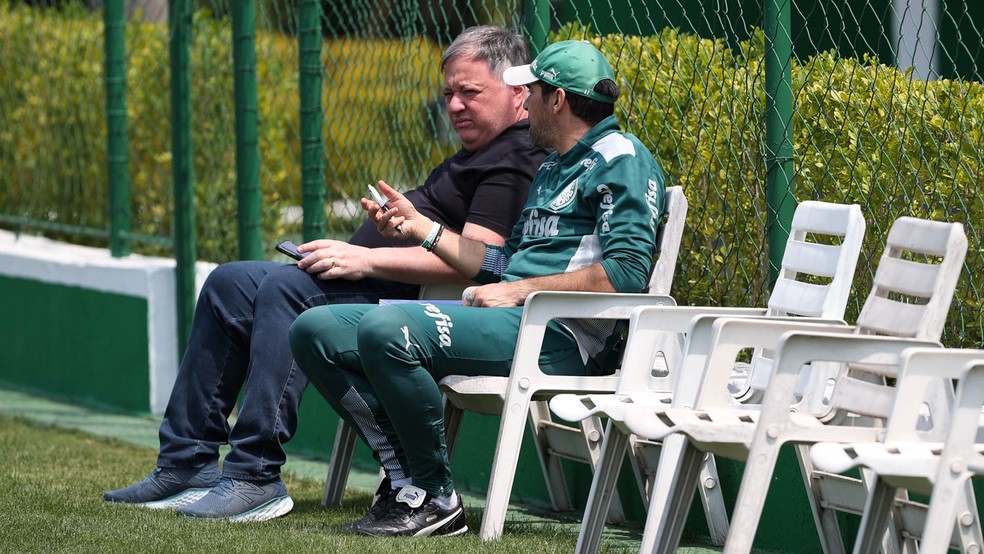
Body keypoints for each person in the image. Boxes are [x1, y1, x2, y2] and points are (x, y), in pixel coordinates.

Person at [102, 25, 547, 522]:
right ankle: (187, 462)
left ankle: (255, 474)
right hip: (372, 279)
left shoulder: (517, 154)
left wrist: (365, 258)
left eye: (470, 93)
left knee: (287, 289)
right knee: (228, 283)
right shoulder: (480, 149)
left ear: (518, 92)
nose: (455, 106)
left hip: (412, 305)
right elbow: (438, 230)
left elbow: (478, 258)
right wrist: (394, 225)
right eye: (448, 94)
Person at [289, 39, 666, 537]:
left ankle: (436, 497)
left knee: (388, 326)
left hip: (559, 336)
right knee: (315, 330)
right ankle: (407, 480)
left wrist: (519, 291)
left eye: (531, 92)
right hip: (505, 321)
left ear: (556, 100)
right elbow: (504, 262)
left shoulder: (622, 158)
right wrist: (421, 228)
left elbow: (627, 274)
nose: (524, 103)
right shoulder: (553, 164)